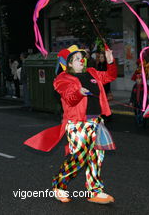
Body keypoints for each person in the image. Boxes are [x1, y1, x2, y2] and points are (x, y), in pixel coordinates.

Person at [24, 45, 117, 204]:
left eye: (82, 57)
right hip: (77, 123)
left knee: (96, 157)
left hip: (96, 122)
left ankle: (94, 191)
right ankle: (59, 186)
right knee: (79, 157)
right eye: (76, 59)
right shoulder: (62, 79)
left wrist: (110, 62)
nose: (81, 60)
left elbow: (110, 76)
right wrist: (79, 92)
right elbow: (69, 98)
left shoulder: (92, 72)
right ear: (68, 64)